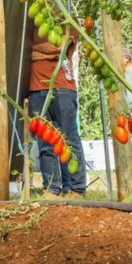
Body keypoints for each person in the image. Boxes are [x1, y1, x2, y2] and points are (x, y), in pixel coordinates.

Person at [28, 22, 85, 199]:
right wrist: (43, 51)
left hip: (62, 87)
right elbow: (23, 52)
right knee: (45, 142)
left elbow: (60, 47)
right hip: (36, 88)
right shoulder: (30, 24)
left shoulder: (68, 22)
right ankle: (52, 189)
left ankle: (77, 188)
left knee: (69, 138)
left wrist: (35, 52)